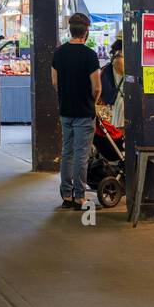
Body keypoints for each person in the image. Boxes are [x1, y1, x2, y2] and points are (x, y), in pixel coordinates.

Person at [52, 13, 101, 210]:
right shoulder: (90, 55)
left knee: (67, 152)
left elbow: (54, 82)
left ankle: (66, 195)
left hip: (65, 110)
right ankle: (80, 197)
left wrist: (66, 96)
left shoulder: (59, 53)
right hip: (84, 112)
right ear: (86, 32)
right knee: (81, 155)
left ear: (70, 30)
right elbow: (96, 87)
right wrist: (92, 101)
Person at [100, 38, 125, 126]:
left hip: (120, 100)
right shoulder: (119, 60)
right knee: (121, 129)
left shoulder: (118, 58)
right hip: (120, 101)